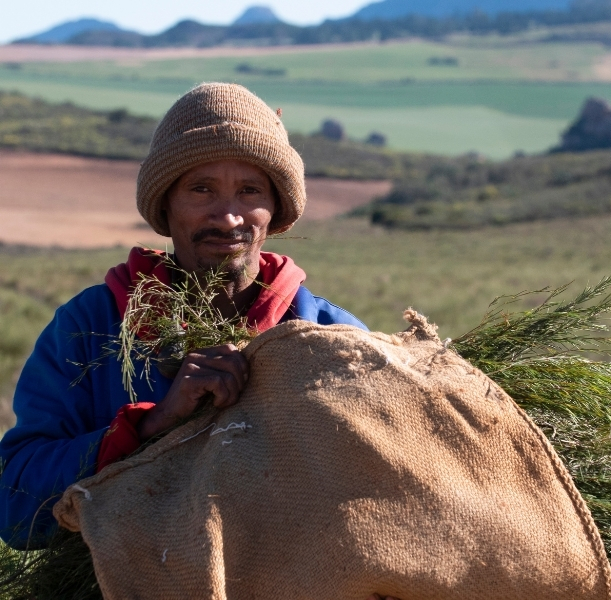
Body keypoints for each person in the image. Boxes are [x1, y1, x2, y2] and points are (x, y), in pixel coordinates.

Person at [0, 83, 371, 552]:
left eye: (249, 190)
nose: (230, 218)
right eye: (202, 189)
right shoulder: (88, 327)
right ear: (166, 205)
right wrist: (151, 426)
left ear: (274, 208)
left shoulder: (331, 337)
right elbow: (15, 508)